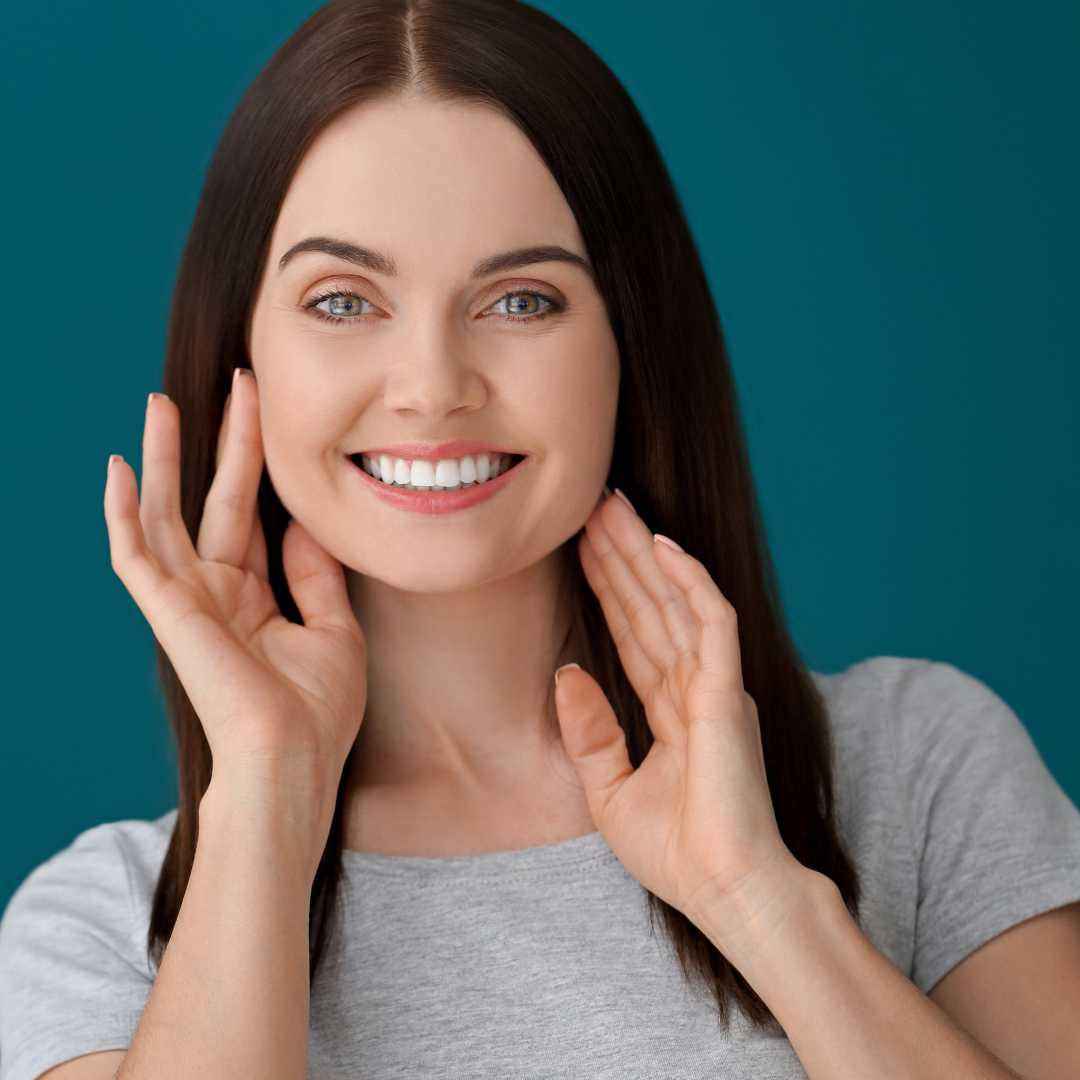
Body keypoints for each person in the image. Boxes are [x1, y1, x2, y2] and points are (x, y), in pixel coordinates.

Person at [3, 1, 1079, 1078]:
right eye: (342, 301)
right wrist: (266, 800)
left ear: (631, 343)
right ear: (244, 354)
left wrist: (758, 898)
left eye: (521, 299)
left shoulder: (921, 770)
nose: (431, 389)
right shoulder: (95, 932)